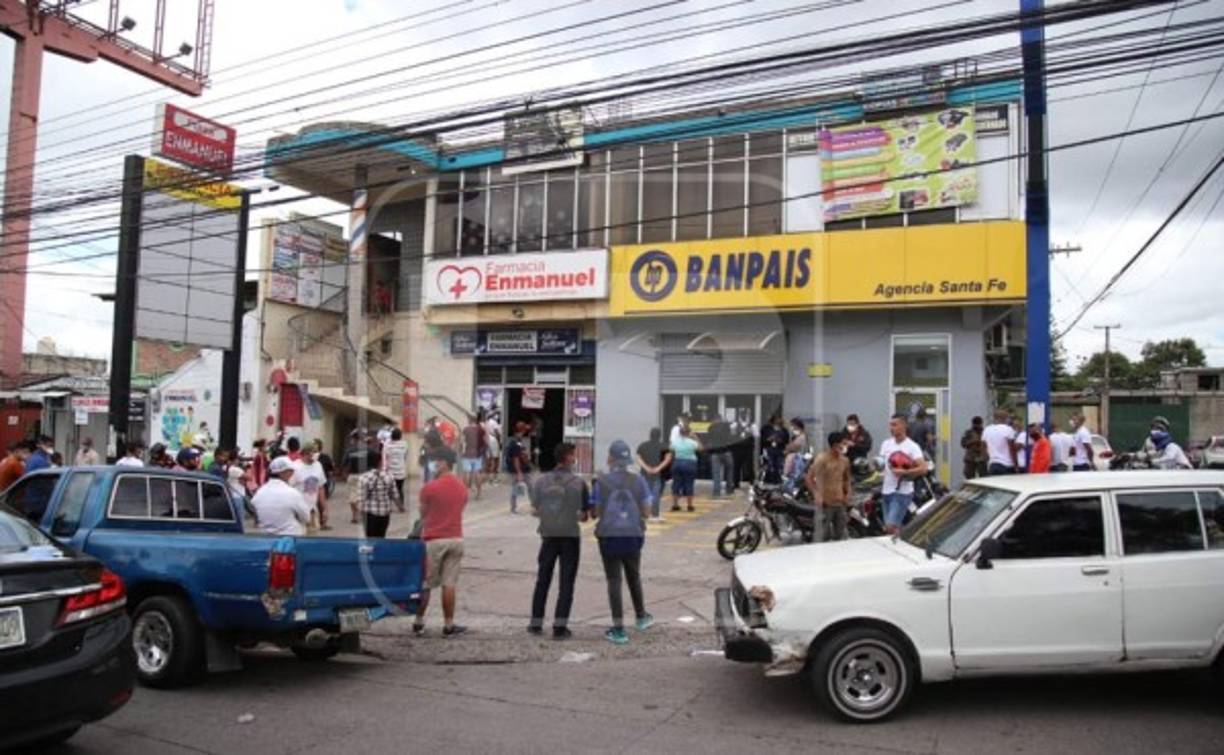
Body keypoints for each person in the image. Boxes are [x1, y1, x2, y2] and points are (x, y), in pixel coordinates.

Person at [590, 440, 653, 646]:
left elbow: (595, 513)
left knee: (614, 580)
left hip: (609, 536)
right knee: (634, 575)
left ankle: (618, 629)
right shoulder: (638, 481)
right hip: (633, 535)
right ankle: (641, 616)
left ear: (610, 458)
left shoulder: (602, 482)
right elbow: (647, 512)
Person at [528, 442, 589, 639]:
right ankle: (560, 628)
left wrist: (549, 514)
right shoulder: (578, 483)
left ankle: (535, 624)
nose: (575, 458)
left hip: (548, 535)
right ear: (568, 458)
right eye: (573, 455)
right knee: (566, 582)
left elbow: (534, 510)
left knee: (542, 579)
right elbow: (584, 516)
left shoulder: (541, 481)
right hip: (570, 536)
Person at [414, 449, 467, 637]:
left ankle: (419, 622)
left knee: (426, 584)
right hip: (455, 538)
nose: (434, 464)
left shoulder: (429, 488)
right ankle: (449, 625)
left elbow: (423, 514)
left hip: (433, 540)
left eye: (437, 461)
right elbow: (461, 509)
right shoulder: (461, 487)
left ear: (445, 463)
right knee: (449, 584)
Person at [877, 414, 927, 535]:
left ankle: (905, 537)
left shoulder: (912, 446)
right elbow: (881, 464)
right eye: (890, 425)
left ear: (904, 425)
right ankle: (905, 538)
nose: (891, 428)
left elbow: (923, 468)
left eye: (894, 425)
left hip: (902, 493)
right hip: (886, 491)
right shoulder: (886, 444)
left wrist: (905, 472)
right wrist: (877, 465)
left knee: (890, 526)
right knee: (891, 529)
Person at [806, 431, 851, 542]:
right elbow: (809, 478)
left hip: (840, 503)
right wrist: (816, 495)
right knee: (823, 537)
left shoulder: (845, 461)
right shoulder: (822, 459)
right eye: (843, 443)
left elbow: (846, 479)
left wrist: (848, 493)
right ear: (835, 445)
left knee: (840, 536)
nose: (845, 446)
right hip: (825, 504)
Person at [251, 457, 311, 535]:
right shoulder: (292, 493)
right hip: (291, 537)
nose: (292, 474)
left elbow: (256, 514)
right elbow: (306, 517)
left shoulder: (259, 493)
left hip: (267, 538)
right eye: (291, 471)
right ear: (283, 473)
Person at [358, 447, 403, 538]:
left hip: (369, 514)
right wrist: (400, 507)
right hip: (385, 513)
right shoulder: (389, 476)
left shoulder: (363, 478)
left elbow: (361, 499)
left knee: (370, 537)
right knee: (382, 536)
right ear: (380, 462)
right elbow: (395, 495)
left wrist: (360, 514)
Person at [635, 428, 672, 522]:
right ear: (660, 436)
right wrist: (658, 468)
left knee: (644, 494)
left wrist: (646, 468)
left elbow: (638, 458)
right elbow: (668, 458)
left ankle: (643, 514)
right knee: (655, 495)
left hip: (644, 473)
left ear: (650, 435)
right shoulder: (664, 446)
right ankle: (655, 515)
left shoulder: (643, 445)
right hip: (657, 474)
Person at [292, 444, 330, 531]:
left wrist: (325, 508)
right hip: (297, 511)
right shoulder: (295, 467)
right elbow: (288, 488)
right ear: (306, 453)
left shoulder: (318, 465)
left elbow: (321, 487)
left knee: (312, 535)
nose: (317, 454)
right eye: (315, 452)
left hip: (312, 510)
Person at [669, 426, 700, 513]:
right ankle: (689, 505)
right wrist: (696, 438)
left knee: (676, 483)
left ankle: (675, 505)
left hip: (678, 462)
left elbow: (671, 451)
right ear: (689, 433)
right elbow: (700, 448)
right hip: (690, 463)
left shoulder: (675, 442)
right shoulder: (692, 442)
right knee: (689, 483)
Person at [704, 415, 735, 498]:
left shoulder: (710, 428)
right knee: (729, 471)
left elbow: (709, 440)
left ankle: (716, 492)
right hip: (726, 451)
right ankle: (729, 489)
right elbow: (730, 438)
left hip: (715, 453)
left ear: (714, 419)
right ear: (720, 419)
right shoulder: (726, 426)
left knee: (716, 473)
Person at [505, 423, 532, 514]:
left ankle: (515, 507)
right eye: (524, 430)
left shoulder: (517, 441)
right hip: (519, 470)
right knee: (518, 487)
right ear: (521, 431)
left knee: (524, 487)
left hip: (522, 468)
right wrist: (519, 472)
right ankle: (513, 508)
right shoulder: (515, 443)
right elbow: (515, 458)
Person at [982, 409, 1018, 476]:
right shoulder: (1008, 429)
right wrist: (1016, 466)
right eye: (1008, 417)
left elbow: (984, 448)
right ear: (1005, 418)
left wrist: (987, 463)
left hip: (992, 464)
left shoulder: (987, 430)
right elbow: (1012, 449)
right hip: (1007, 465)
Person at [460, 415, 486, 499]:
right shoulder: (481, 430)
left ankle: (465, 493)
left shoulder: (466, 430)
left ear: (470, 420)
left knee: (466, 473)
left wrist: (461, 450)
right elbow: (485, 441)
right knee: (477, 473)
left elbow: (462, 442)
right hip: (477, 454)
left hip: (467, 453)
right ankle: (479, 493)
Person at [381, 428, 409, 503]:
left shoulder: (387, 445)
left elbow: (384, 458)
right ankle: (401, 505)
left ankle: (388, 505)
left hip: (390, 472)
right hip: (401, 472)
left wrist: (384, 470)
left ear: (391, 436)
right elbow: (405, 457)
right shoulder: (404, 444)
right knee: (399, 489)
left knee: (388, 491)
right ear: (400, 436)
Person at [760, 413, 788, 483]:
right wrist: (769, 439)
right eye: (777, 419)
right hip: (769, 448)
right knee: (769, 464)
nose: (779, 420)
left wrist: (780, 440)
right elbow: (762, 440)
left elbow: (786, 440)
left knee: (779, 465)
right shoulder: (766, 428)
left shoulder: (784, 430)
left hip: (779, 449)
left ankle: (778, 479)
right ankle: (768, 479)